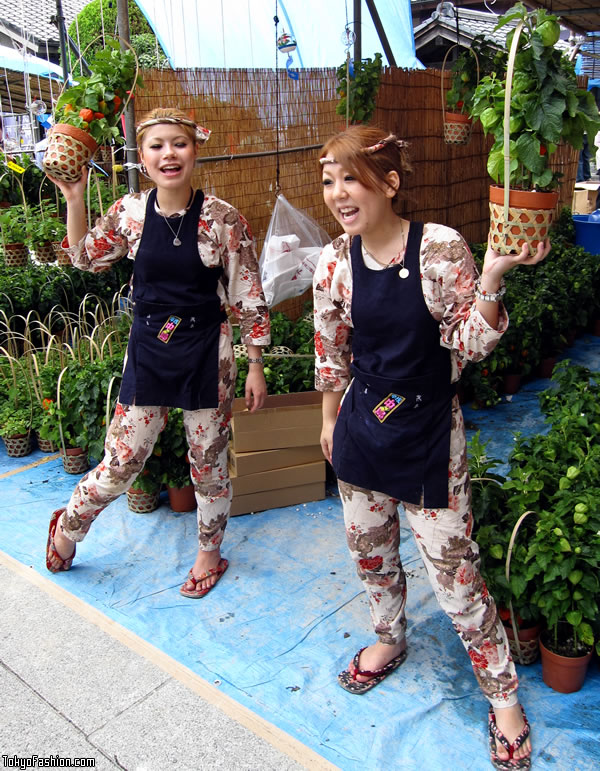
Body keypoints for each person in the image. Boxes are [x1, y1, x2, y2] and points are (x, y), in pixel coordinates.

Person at [313, 125, 550, 770]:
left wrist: (495, 276)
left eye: (350, 178)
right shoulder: (332, 261)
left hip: (428, 436)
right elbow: (332, 352)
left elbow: (469, 347)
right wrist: (330, 420)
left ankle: (502, 697)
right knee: (370, 555)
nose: (337, 193)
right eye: (329, 179)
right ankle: (390, 637)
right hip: (363, 426)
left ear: (389, 183)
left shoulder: (441, 249)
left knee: (456, 576)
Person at [45, 108, 270, 598]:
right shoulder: (128, 213)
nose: (169, 154)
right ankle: (69, 525)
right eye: (157, 146)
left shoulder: (223, 218)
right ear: (143, 158)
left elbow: (248, 295)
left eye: (179, 144)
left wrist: (255, 364)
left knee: (208, 462)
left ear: (194, 150)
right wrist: (74, 196)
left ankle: (209, 551)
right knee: (123, 460)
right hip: (149, 348)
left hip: (209, 353)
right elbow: (87, 257)